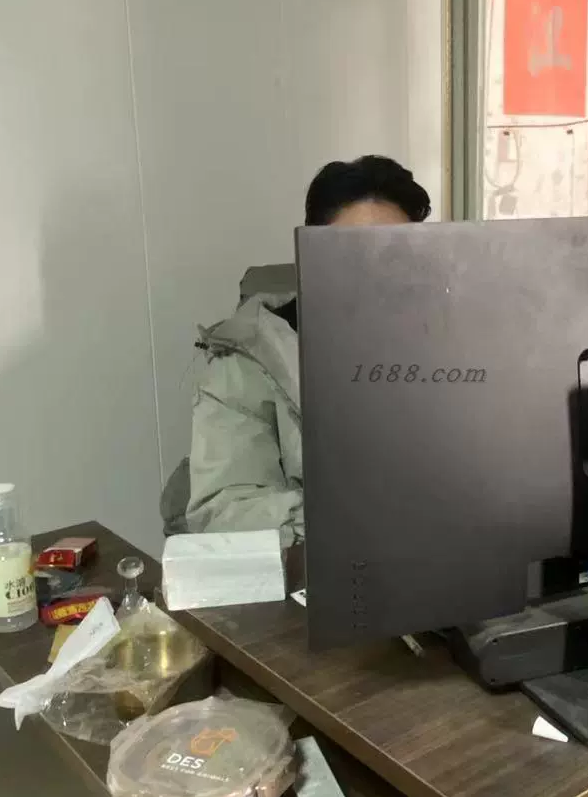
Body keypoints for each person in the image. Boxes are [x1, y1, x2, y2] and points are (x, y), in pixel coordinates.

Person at [160, 156, 432, 542]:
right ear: (311, 257)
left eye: (395, 254)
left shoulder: (443, 343)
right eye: (353, 253)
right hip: (312, 569)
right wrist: (374, 513)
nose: (375, 274)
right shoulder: (247, 361)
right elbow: (226, 511)